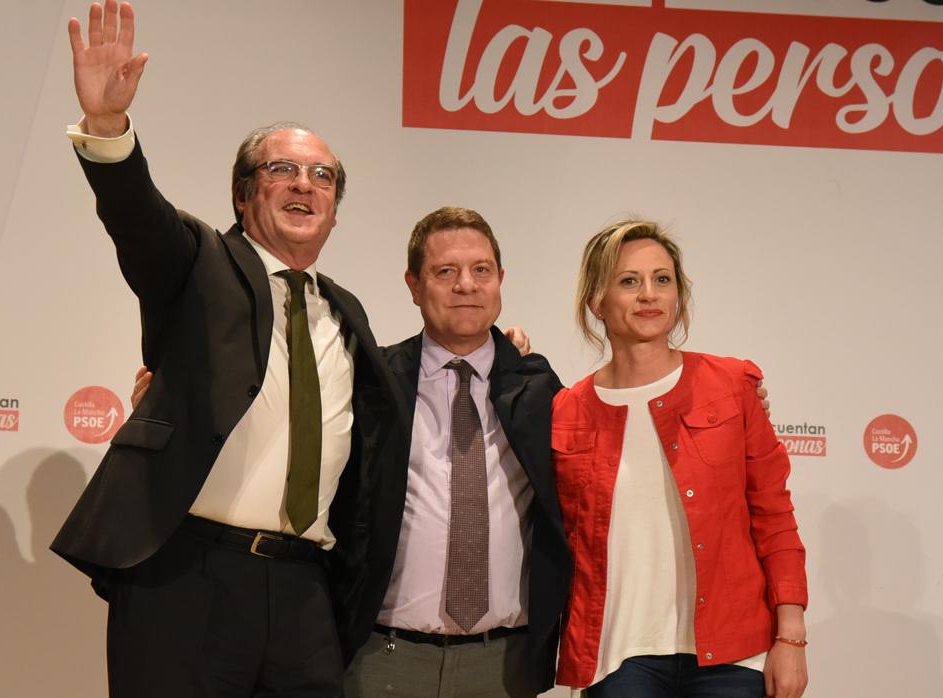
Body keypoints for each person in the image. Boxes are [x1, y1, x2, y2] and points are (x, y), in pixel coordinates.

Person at [49, 2, 407, 696]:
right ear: (246, 195)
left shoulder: (346, 312)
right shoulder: (200, 262)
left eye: (323, 176)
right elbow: (138, 218)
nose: (306, 185)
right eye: (283, 169)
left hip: (306, 588)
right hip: (189, 578)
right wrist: (106, 129)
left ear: (336, 205)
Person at [551, 221, 809, 698]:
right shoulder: (565, 410)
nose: (649, 294)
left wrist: (790, 634)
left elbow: (774, 516)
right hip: (618, 658)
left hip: (734, 655)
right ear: (596, 301)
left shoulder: (732, 385)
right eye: (629, 281)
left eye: (662, 279)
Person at [343, 207, 571, 697]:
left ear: (500, 280)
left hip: (504, 663)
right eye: (445, 271)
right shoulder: (371, 381)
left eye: (481, 270)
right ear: (413, 284)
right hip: (382, 660)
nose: (466, 285)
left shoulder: (539, 388)